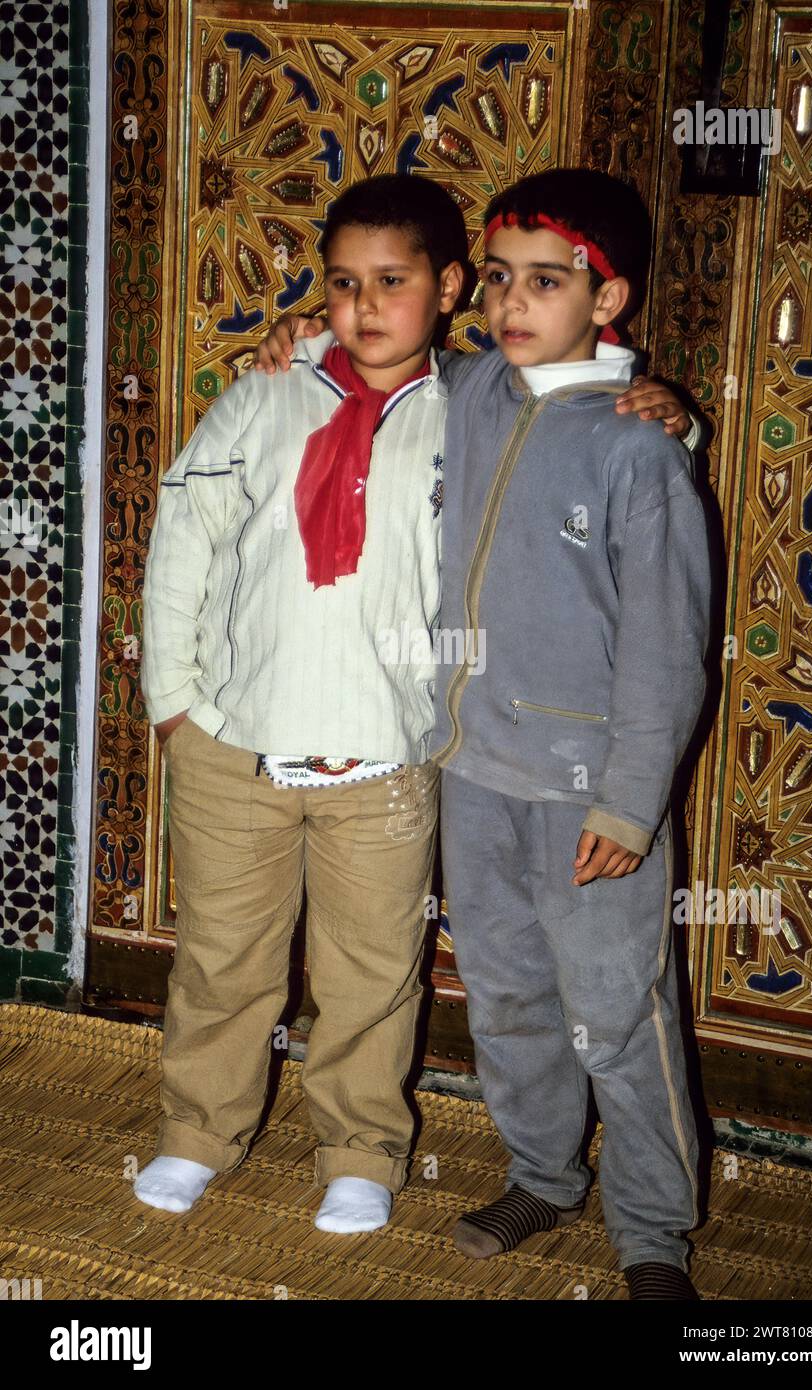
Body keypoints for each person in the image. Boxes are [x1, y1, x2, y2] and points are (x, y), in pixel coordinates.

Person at [136, 174, 473, 1233]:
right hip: (238, 742)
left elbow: (592, 459)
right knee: (225, 958)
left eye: (392, 281)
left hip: (384, 753)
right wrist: (175, 704)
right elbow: (184, 539)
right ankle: (198, 1131)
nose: (364, 306)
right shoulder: (269, 392)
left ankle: (361, 1150)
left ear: (449, 286)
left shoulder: (480, 409)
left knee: (372, 968)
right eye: (340, 284)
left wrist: (661, 413)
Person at [430, 168, 712, 1300]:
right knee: (504, 996)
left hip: (592, 796)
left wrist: (631, 803)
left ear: (609, 300)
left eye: (547, 281)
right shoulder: (473, 392)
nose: (512, 302)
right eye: (498, 279)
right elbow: (386, 358)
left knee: (619, 1012)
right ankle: (543, 1174)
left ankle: (654, 1235)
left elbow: (667, 647)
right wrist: (309, 332)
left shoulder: (640, 450)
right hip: (474, 771)